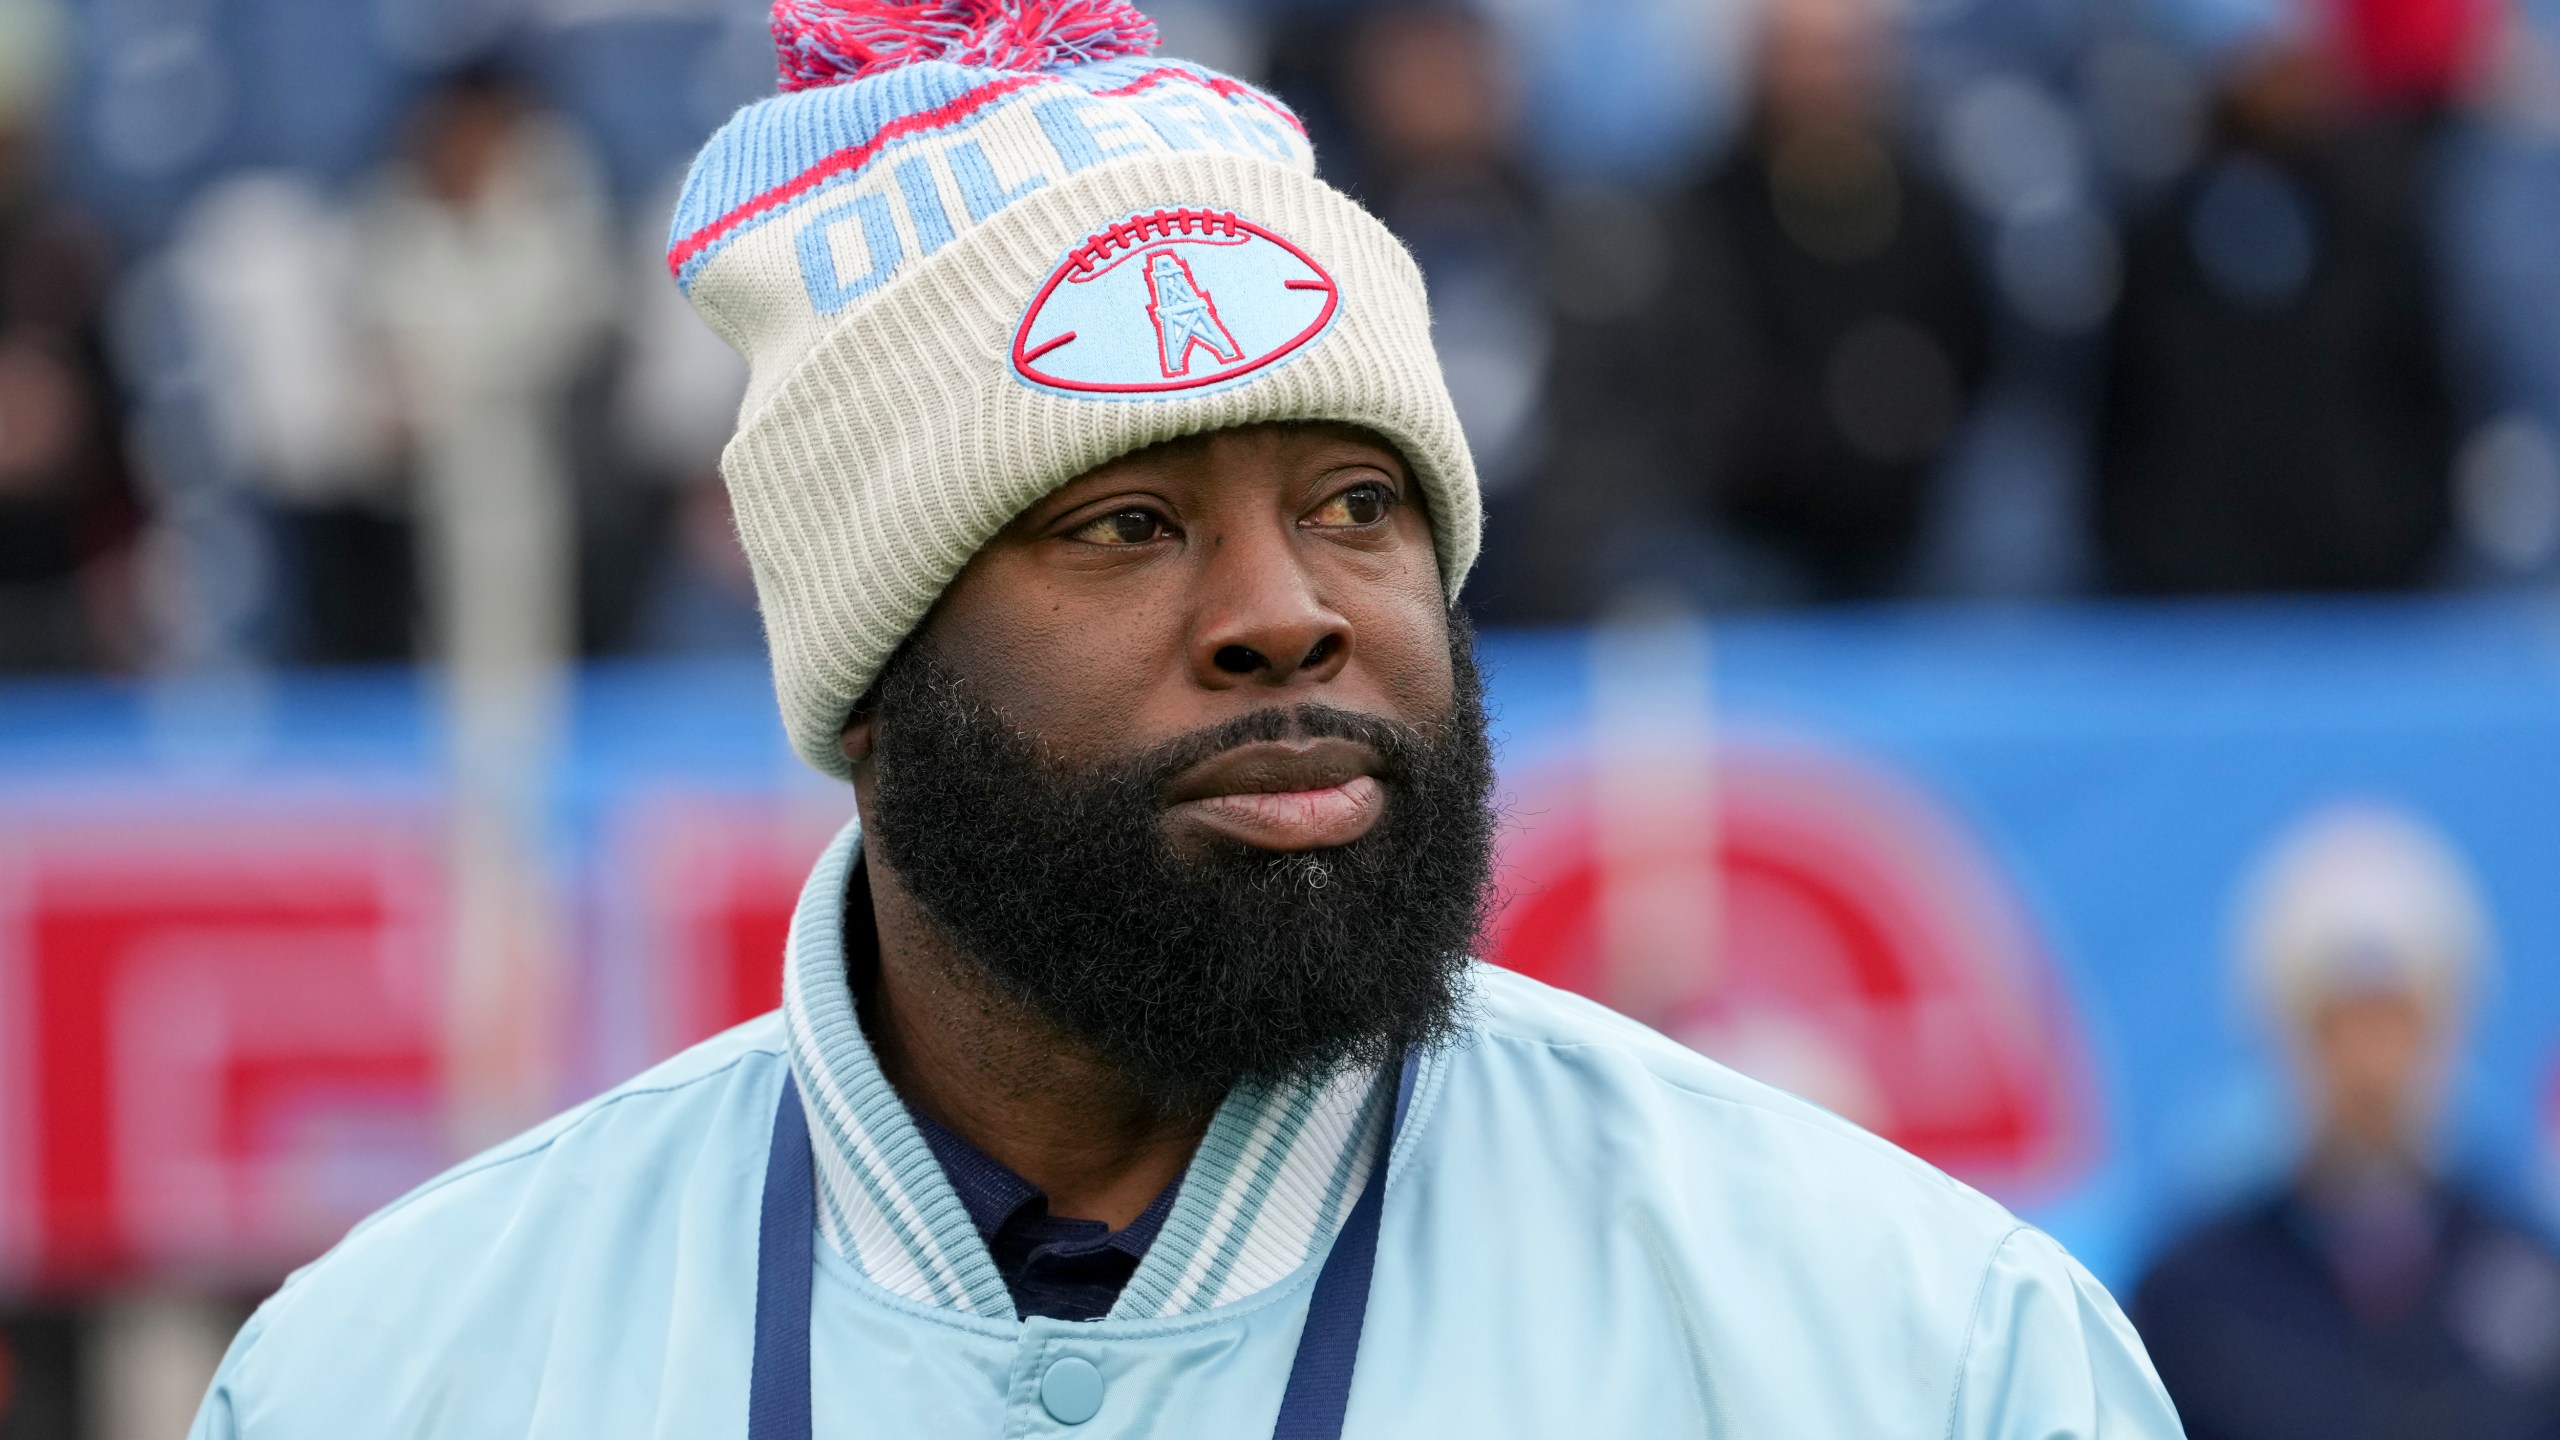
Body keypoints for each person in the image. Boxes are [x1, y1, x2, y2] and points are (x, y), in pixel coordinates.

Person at [188, 2, 2181, 1435]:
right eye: (1127, 523)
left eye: (1356, 507)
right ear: (870, 678)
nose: (1287, 616)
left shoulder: (1909, 1355)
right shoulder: (399, 1375)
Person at [2133, 804, 2560, 1439]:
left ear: (2451, 1027)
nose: (2370, 1067)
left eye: (2398, 1021)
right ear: (2281, 1034)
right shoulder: (2191, 1300)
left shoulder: (2527, 1275)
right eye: (2338, 1025)